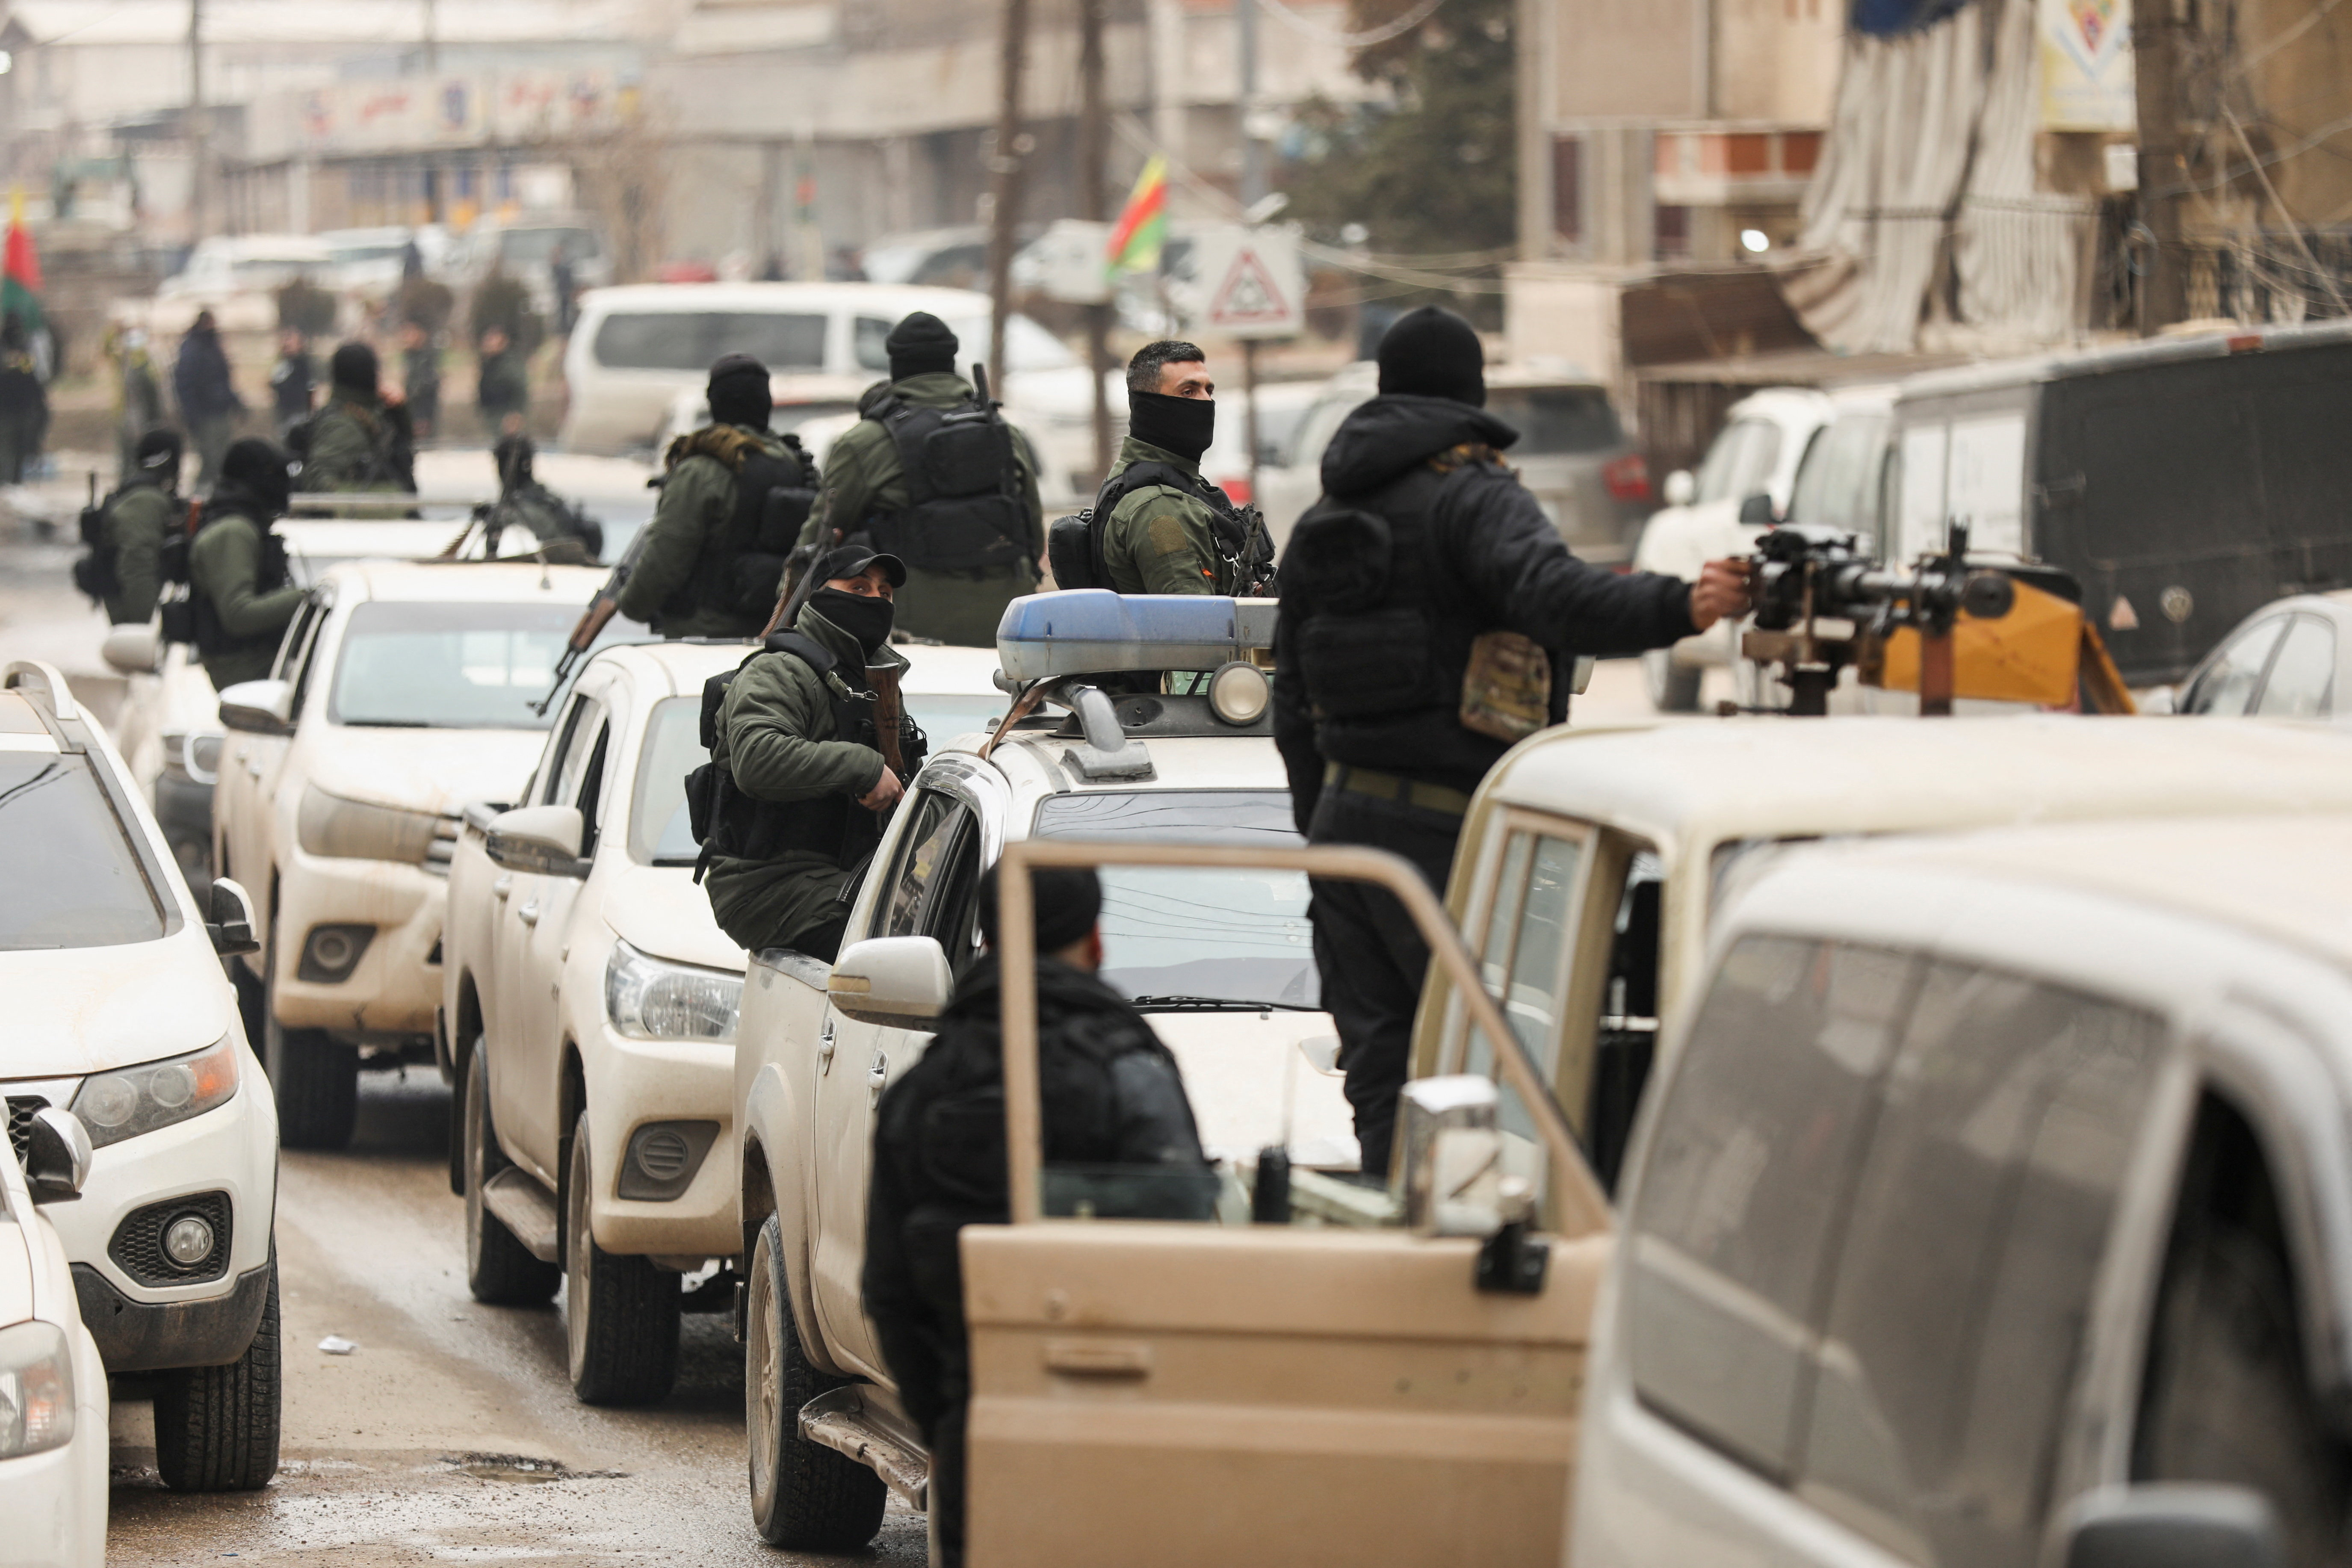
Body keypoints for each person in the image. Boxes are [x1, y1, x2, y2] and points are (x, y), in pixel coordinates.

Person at [1271, 306, 1753, 1178]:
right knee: (1475, 1078)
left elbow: (1290, 702)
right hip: (1452, 840)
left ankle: (1394, 1249)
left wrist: (1329, 833)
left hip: (1347, 841)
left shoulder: (1326, 517)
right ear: (1469, 392)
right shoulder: (1472, 494)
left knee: (1382, 1078)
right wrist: (1685, 606)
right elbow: (1557, 597)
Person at [865, 864, 1212, 1568]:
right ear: (1096, 940)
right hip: (1134, 1431)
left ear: (988, 942)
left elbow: (889, 1291)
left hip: (979, 1431)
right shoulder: (1131, 1072)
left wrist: (948, 1419)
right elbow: (1194, 1253)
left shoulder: (920, 1094)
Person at [698, 546, 920, 960]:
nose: (875, 599)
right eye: (858, 586)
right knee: (893, 953)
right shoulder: (780, 671)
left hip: (846, 875)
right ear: (819, 594)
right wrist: (865, 768)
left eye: (885, 593)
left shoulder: (873, 678)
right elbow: (757, 757)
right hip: (768, 885)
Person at [793, 312, 1043, 646]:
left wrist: (787, 611)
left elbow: (819, 541)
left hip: (910, 630)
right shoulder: (1006, 434)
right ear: (951, 361)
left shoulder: (865, 442)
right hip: (1007, 622)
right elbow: (1033, 534)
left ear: (896, 366)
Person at [619, 353, 818, 639]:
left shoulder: (701, 472)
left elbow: (664, 561)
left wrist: (632, 605)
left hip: (703, 640)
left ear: (715, 404)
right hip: (778, 638)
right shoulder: (798, 467)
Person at [1091, 340, 1268, 595]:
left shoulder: (1160, 481)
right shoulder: (1161, 507)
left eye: (1209, 391)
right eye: (1189, 392)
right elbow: (1193, 626)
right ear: (1150, 406)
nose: (1206, 402)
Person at [187, 437, 303, 691]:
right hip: (246, 672)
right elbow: (239, 614)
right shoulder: (233, 531)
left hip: (261, 667)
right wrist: (309, 598)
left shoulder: (246, 524)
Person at [90, 428, 184, 625]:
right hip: (130, 606)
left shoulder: (140, 494)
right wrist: (140, 626)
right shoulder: (146, 500)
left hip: (128, 599)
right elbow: (137, 563)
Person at [301, 341, 415, 493]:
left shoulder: (368, 412)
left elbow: (401, 449)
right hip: (363, 512)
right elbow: (320, 475)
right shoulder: (344, 425)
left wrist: (399, 413)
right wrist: (355, 502)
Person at [486, 433, 603, 558]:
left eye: (501, 463)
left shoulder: (526, 504)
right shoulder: (541, 497)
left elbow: (554, 538)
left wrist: (494, 515)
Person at [173, 309, 243, 486]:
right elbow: (185, 384)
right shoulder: (193, 349)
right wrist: (191, 414)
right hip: (204, 414)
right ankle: (201, 497)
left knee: (223, 458)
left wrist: (236, 402)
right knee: (209, 460)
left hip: (220, 411)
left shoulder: (213, 347)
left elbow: (224, 380)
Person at [112, 325, 168, 484]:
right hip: (135, 422)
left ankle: (128, 485)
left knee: (129, 460)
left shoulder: (130, 365)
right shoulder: (140, 366)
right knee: (133, 459)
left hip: (131, 420)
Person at [0, 317, 49, 484]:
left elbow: (33, 378)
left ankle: (14, 483)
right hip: (9, 409)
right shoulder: (8, 352)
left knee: (18, 449)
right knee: (7, 449)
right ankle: (8, 483)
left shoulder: (26, 352)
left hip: (20, 408)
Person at [476, 325, 529, 437]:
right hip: (492, 414)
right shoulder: (488, 363)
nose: (489, 342)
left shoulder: (510, 364)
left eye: (493, 339)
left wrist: (515, 414)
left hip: (505, 415)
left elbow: (520, 389)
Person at [269, 328, 316, 440]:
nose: (287, 343)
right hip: (285, 412)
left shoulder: (303, 364)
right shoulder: (284, 364)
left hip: (299, 411)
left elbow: (310, 389)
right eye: (285, 340)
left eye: (290, 340)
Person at [399, 320, 440, 442]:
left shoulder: (425, 360)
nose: (406, 337)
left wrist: (423, 417)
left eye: (410, 333)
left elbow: (427, 389)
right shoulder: (411, 358)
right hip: (412, 414)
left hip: (421, 417)